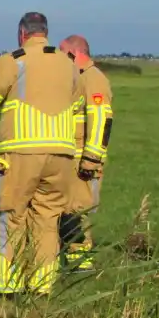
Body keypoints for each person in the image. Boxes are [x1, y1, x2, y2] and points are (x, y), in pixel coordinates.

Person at [0, 12, 82, 296]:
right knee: (47, 219)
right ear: (45, 32)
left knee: (10, 215)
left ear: (23, 33)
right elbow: (74, 97)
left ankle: (8, 284)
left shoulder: (14, 60)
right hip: (61, 152)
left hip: (21, 150)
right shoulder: (68, 63)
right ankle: (42, 284)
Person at [56, 34, 114, 270]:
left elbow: (101, 121)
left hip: (83, 158)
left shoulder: (93, 79)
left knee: (77, 211)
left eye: (62, 53)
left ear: (74, 54)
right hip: (69, 157)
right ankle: (70, 257)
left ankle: (81, 262)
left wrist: (91, 159)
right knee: (67, 210)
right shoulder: (77, 78)